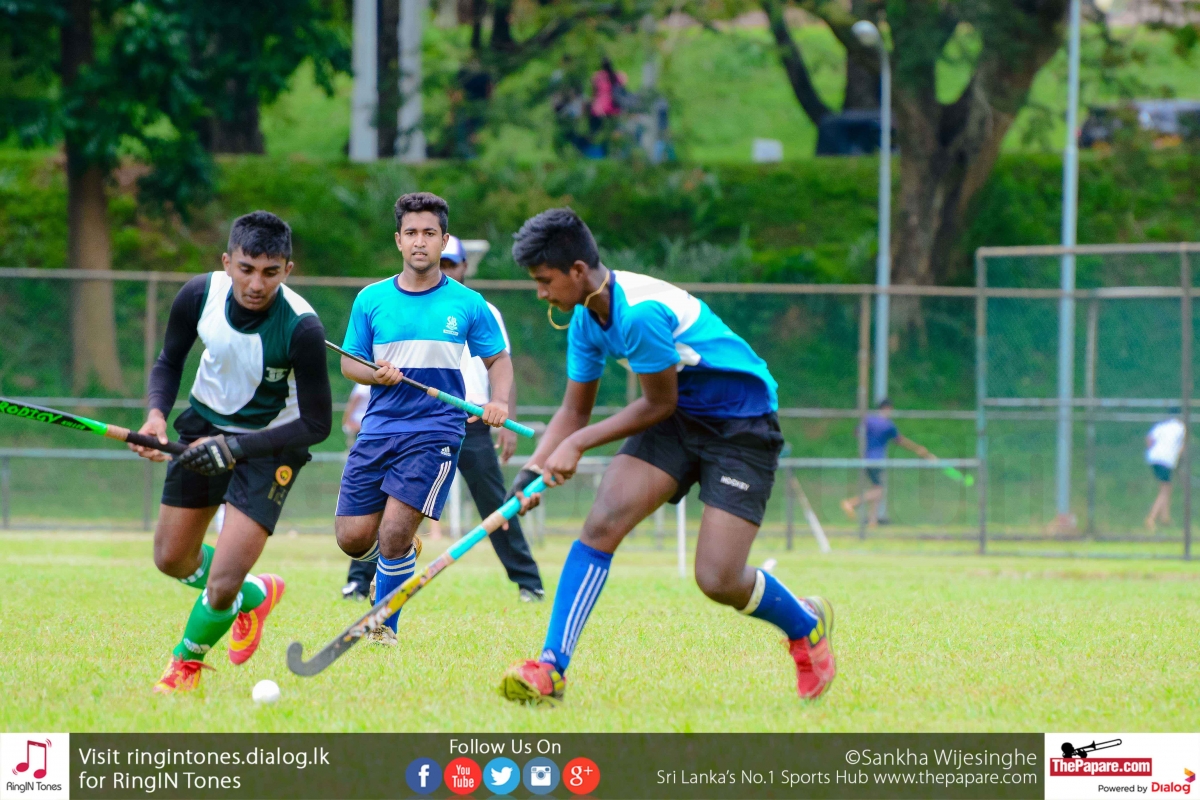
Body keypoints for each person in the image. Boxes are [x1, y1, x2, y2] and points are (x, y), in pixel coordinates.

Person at [497, 208, 834, 706]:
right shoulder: (586, 320)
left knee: (718, 579)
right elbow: (574, 410)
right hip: (677, 420)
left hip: (740, 425)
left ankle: (805, 626)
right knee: (602, 524)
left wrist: (578, 444)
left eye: (544, 281)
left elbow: (658, 402)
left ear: (577, 270)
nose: (541, 293)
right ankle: (551, 668)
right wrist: (531, 472)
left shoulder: (640, 313)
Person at [131, 211, 332, 694]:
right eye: (246, 269)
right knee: (171, 559)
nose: (256, 284)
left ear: (287, 270)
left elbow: (316, 424)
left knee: (220, 583)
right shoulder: (198, 295)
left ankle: (185, 664)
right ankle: (255, 594)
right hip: (202, 429)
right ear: (227, 262)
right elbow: (169, 361)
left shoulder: (302, 327)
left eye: (270, 272)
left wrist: (234, 448)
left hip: (271, 447)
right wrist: (156, 417)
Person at [333, 192, 513, 646]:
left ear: (443, 240)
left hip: (436, 430)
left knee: (393, 532)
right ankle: (398, 557)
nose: (420, 241)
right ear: (398, 240)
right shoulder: (371, 299)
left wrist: (500, 401)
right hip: (378, 428)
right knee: (352, 538)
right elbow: (349, 363)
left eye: (429, 233)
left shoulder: (468, 303)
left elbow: (498, 360)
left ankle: (384, 627)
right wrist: (375, 373)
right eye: (411, 233)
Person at [440, 235, 545, 602]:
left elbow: (501, 366)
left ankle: (529, 582)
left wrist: (508, 421)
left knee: (496, 505)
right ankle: (360, 580)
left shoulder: (484, 310)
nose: (445, 270)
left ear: (464, 266)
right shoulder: (415, 307)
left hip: (474, 423)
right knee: (394, 498)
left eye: (451, 264)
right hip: (427, 420)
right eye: (440, 263)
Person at [839, 399, 931, 527]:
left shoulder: (869, 420)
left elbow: (856, 433)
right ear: (888, 408)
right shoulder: (888, 425)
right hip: (876, 460)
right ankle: (851, 503)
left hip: (865, 458)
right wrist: (917, 448)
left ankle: (872, 520)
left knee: (876, 488)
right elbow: (899, 440)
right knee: (879, 491)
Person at [1145, 411, 1186, 532]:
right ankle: (1150, 519)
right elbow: (1181, 447)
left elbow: (1149, 439)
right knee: (1164, 490)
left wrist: (1154, 451)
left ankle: (1165, 518)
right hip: (1166, 460)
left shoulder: (1161, 425)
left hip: (1154, 458)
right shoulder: (1181, 427)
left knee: (1167, 487)